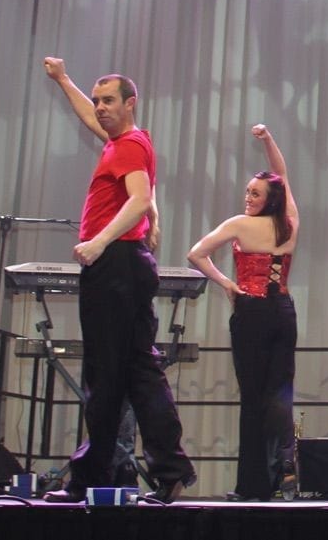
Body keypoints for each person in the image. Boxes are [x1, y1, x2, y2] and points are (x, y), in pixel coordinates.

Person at [40, 58, 195, 504]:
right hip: (125, 264)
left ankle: (92, 477)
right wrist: (63, 79)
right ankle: (168, 471)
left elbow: (140, 198)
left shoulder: (128, 144)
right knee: (137, 371)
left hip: (116, 266)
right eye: (97, 100)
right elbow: (91, 120)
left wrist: (100, 242)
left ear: (131, 104)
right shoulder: (121, 142)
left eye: (109, 101)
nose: (100, 108)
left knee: (107, 374)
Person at [187, 124, 301, 501]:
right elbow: (282, 176)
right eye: (248, 191)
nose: (248, 196)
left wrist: (226, 284)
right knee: (278, 395)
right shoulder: (289, 226)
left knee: (253, 398)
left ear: (268, 199)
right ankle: (282, 469)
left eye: (255, 193)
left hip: (252, 312)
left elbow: (196, 254)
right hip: (283, 311)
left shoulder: (240, 225)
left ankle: (252, 486)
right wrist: (269, 140)